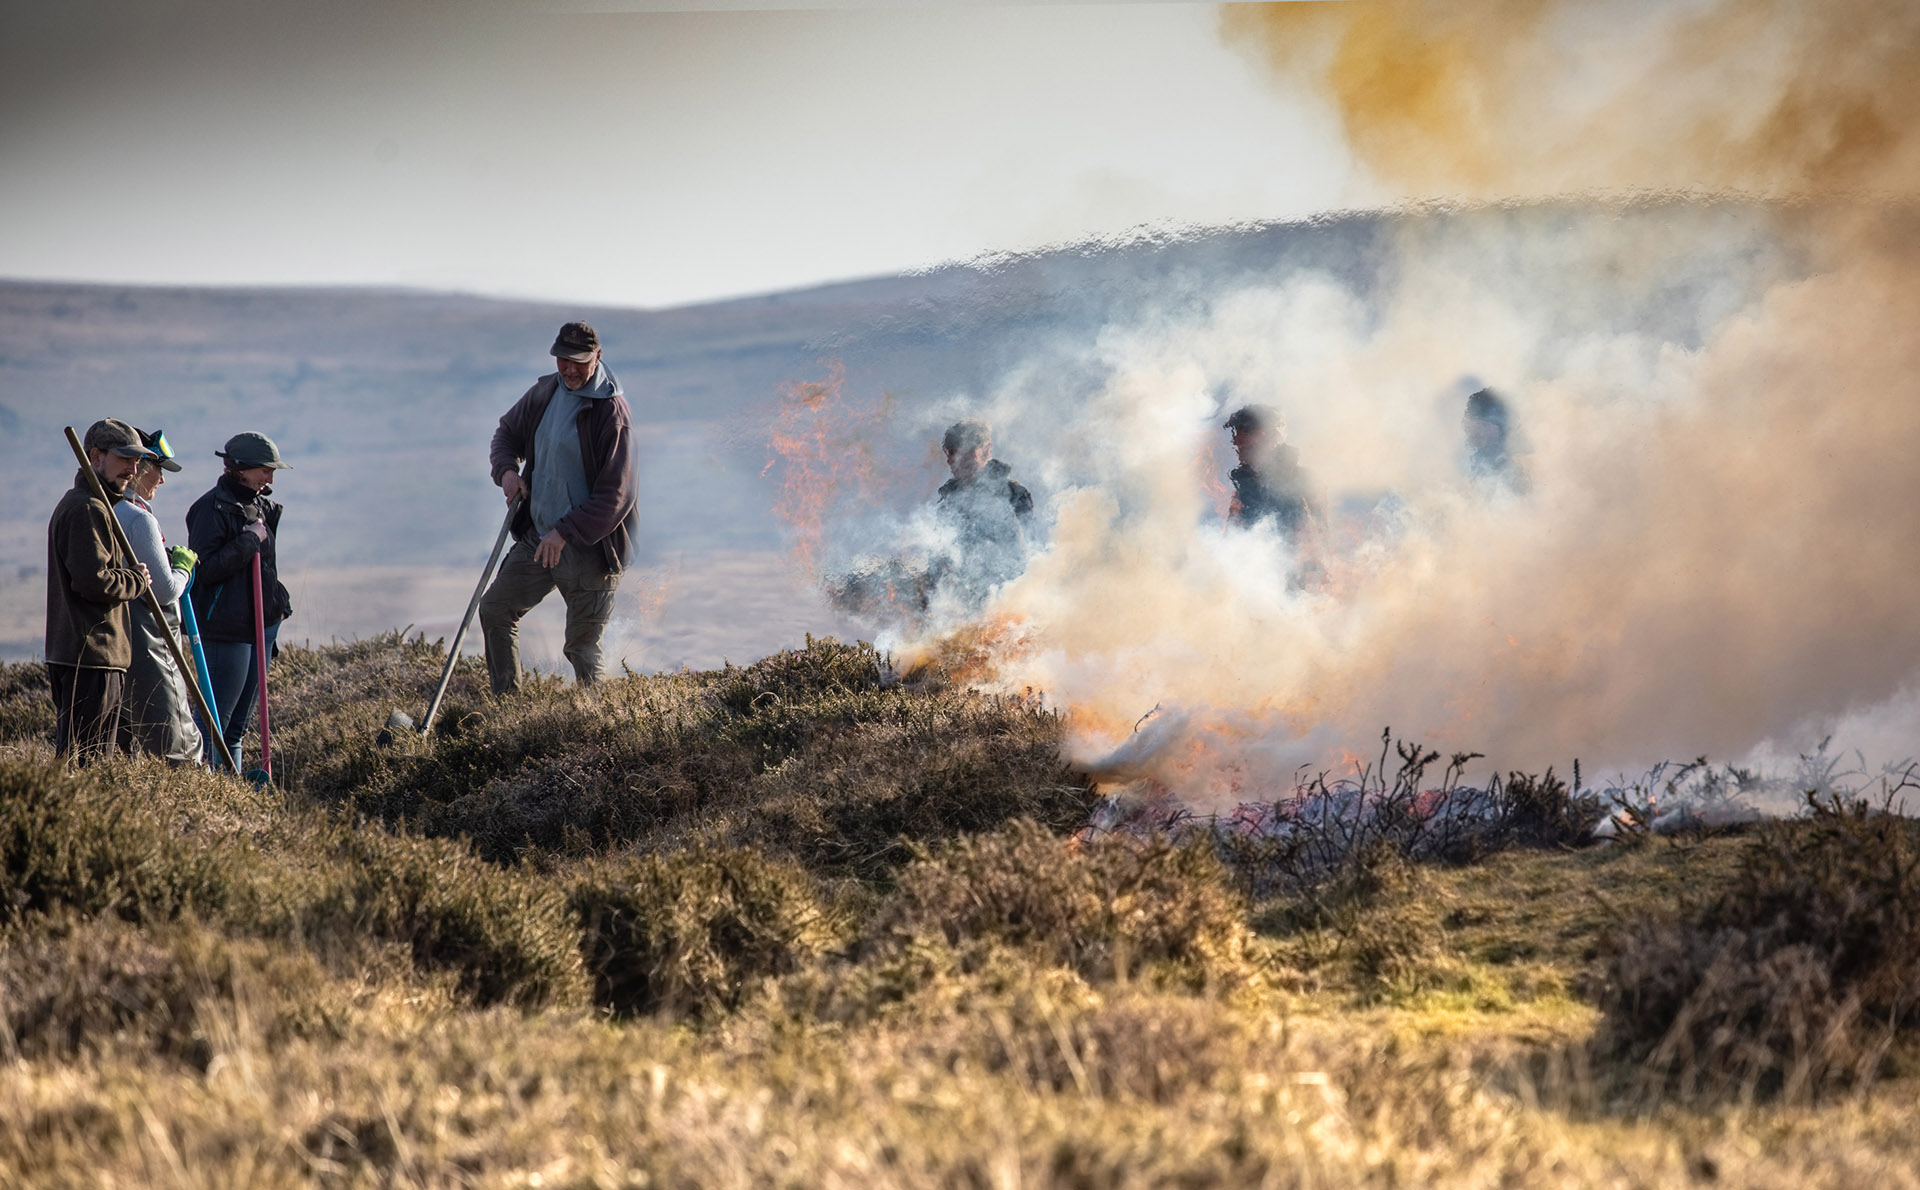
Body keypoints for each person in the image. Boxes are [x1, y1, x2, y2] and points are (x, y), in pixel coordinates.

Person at [479, 321, 639, 694]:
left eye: (578, 361)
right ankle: (508, 710)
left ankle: (600, 729)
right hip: (540, 537)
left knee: (581, 649)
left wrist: (565, 532)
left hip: (589, 551)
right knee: (495, 610)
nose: (568, 368)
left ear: (597, 358)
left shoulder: (611, 413)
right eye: (562, 359)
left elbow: (617, 494)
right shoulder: (545, 391)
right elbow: (506, 433)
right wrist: (506, 472)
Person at [46, 418, 155, 763]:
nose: (133, 468)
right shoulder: (87, 509)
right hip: (91, 656)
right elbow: (95, 582)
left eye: (137, 460)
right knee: (86, 762)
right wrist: (136, 579)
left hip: (91, 656)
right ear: (95, 456)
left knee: (87, 760)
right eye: (125, 458)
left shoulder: (92, 505)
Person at [186, 431, 292, 771]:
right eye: (265, 470)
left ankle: (231, 797)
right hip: (227, 629)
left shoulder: (261, 505)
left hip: (262, 626)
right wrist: (248, 541)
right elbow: (206, 569)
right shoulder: (209, 509)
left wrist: (278, 602)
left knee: (236, 730)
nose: (271, 478)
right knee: (215, 726)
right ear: (241, 468)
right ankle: (203, 789)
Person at [112, 428, 204, 764]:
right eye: (159, 469)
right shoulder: (138, 519)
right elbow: (164, 591)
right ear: (140, 466)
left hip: (115, 648)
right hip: (153, 644)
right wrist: (183, 569)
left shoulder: (102, 511)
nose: (161, 480)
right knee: (176, 744)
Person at [929, 419, 1033, 606]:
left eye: (968, 453)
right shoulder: (946, 504)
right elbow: (938, 556)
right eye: (954, 454)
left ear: (986, 451)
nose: (959, 462)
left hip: (1006, 599)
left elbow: (1029, 551)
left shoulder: (1014, 495)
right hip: (960, 602)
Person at [1463, 387, 1529, 495]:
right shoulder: (1472, 462)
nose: (1477, 431)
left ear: (1501, 427)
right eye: (1474, 424)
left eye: (1484, 424)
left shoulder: (1518, 466)